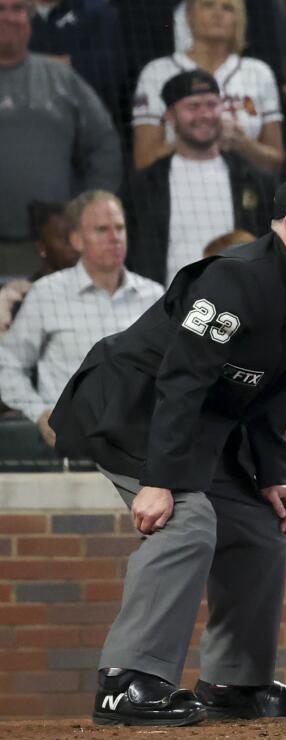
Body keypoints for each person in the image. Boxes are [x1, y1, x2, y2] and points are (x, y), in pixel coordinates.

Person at [47, 165, 286, 726]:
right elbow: (181, 379)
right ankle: (126, 680)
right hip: (131, 410)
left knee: (258, 527)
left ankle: (234, 682)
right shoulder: (234, 276)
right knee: (187, 519)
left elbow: (274, 392)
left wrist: (274, 473)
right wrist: (158, 481)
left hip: (195, 422)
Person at [0, 192, 162, 447]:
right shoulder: (47, 294)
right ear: (76, 240)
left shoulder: (154, 296)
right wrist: (40, 413)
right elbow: (8, 366)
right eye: (102, 230)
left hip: (139, 445)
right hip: (68, 443)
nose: (115, 238)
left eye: (119, 228)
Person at [0, 0, 121, 278]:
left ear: (29, 20)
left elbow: (104, 144)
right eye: (0, 9)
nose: (9, 17)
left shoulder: (61, 79)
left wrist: (87, 211)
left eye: (18, 9)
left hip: (49, 252)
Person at [126, 69, 277, 287]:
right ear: (170, 116)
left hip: (238, 305)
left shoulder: (255, 181)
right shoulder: (144, 187)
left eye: (211, 105)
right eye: (193, 107)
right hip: (166, 306)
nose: (204, 115)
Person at [131, 0, 285, 173]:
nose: (217, 14)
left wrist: (242, 143)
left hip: (245, 190)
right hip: (177, 186)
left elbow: (276, 162)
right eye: (208, 5)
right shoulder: (157, 72)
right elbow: (144, 161)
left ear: (239, 19)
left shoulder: (258, 72)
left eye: (227, 8)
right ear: (189, 15)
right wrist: (195, 137)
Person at [27, 0, 126, 113]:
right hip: (28, 117)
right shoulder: (12, 17)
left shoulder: (97, 10)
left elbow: (111, 66)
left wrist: (50, 65)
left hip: (85, 117)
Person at [0, 202, 80, 334]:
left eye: (76, 237)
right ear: (41, 247)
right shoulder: (23, 300)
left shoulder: (96, 290)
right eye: (64, 239)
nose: (73, 246)